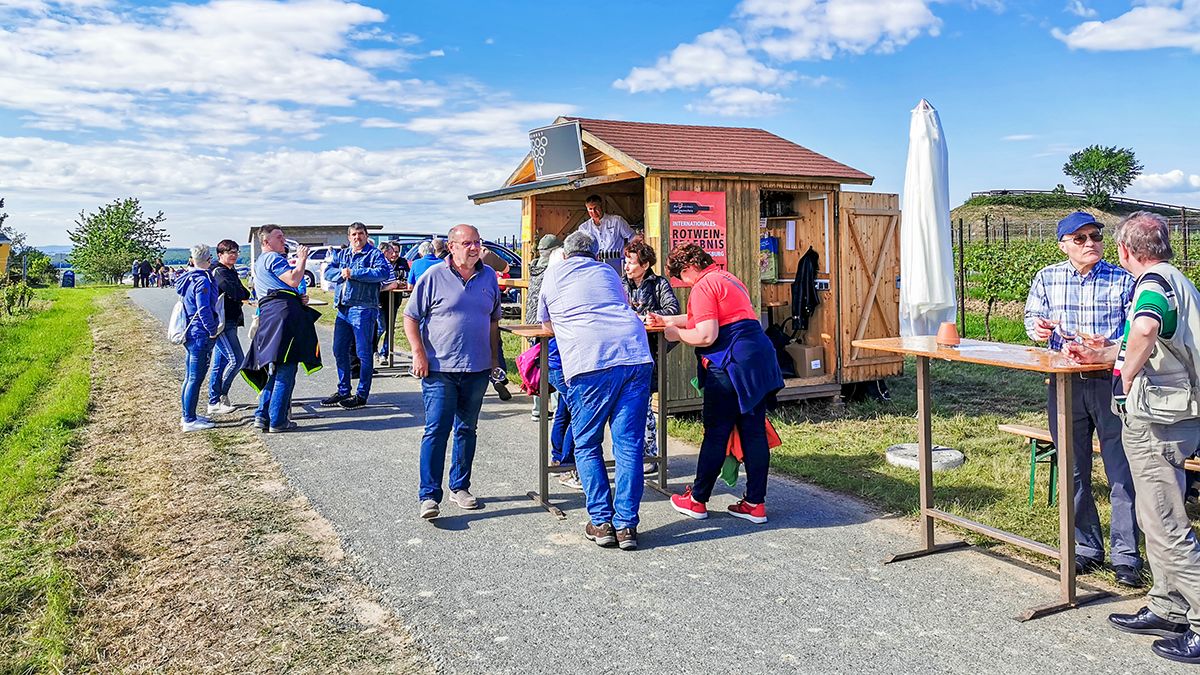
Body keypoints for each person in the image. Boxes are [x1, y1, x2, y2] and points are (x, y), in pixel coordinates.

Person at [1066, 212, 1200, 664]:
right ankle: (1169, 605)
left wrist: (1122, 375)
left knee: (1165, 525)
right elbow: (1150, 338)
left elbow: (1144, 329)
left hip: (1161, 420)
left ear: (1125, 250)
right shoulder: (1170, 279)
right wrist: (1104, 353)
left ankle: (1198, 619)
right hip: (1172, 414)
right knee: (1153, 515)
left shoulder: (1150, 285)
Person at [1023, 211, 1143, 587]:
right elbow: (1032, 320)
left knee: (1120, 470)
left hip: (1110, 383)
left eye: (1095, 236)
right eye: (1080, 238)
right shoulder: (1047, 277)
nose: (1090, 243)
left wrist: (1110, 346)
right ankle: (1086, 547)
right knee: (1073, 468)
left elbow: (1136, 333)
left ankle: (1126, 556)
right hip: (1063, 383)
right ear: (1063, 245)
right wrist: (1039, 328)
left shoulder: (1124, 279)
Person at [539, 231, 653, 550]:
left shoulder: (554, 273)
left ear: (565, 253)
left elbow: (545, 324)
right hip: (634, 353)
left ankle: (601, 522)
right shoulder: (607, 271)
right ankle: (626, 526)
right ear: (594, 254)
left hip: (590, 360)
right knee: (628, 444)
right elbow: (621, 305)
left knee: (587, 443)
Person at [654, 244, 783, 525]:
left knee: (716, 432)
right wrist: (666, 319)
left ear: (688, 269)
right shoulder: (728, 279)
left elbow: (706, 334)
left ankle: (697, 500)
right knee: (753, 432)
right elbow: (705, 317)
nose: (683, 285)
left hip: (730, 364)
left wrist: (676, 333)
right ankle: (755, 504)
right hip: (758, 360)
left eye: (681, 279)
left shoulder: (702, 286)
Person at [404, 224, 501, 520]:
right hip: (439, 369)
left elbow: (494, 322)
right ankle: (429, 496)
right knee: (436, 430)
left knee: (467, 430)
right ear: (452, 246)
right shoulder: (433, 276)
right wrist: (419, 354)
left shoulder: (489, 277)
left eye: (477, 242)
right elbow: (410, 316)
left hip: (476, 369)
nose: (474, 248)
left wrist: (496, 361)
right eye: (467, 243)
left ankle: (460, 487)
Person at [241, 224, 321, 433]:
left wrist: (295, 296)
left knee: (274, 368)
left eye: (283, 236)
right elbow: (294, 280)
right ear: (266, 242)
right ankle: (277, 420)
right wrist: (302, 258)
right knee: (286, 367)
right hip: (283, 317)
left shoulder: (260, 261)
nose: (283, 240)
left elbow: (278, 288)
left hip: (271, 314)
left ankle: (262, 415)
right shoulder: (273, 258)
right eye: (278, 237)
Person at [623, 240, 680, 474]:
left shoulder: (659, 284)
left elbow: (673, 310)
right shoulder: (619, 284)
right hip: (625, 352)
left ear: (645, 265)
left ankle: (650, 453)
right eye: (625, 260)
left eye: (631, 261)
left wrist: (649, 316)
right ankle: (633, 453)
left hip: (649, 351)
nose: (626, 266)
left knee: (645, 403)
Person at [321, 222, 390, 410]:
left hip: (363, 308)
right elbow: (328, 271)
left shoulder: (374, 254)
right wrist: (342, 274)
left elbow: (382, 273)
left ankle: (361, 394)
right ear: (348, 237)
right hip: (343, 309)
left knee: (363, 353)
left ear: (367, 236)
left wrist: (354, 273)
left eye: (360, 234)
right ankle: (343, 390)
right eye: (353, 234)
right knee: (339, 350)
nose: (357, 237)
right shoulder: (342, 254)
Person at [175, 244, 221, 432]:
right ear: (208, 259)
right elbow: (203, 308)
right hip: (200, 333)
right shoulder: (202, 280)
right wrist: (212, 329)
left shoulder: (188, 278)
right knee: (195, 377)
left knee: (189, 376)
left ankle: (188, 414)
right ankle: (189, 419)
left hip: (191, 332)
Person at [208, 239, 250, 415]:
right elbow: (236, 292)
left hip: (231, 320)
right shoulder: (219, 271)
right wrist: (241, 293)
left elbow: (244, 292)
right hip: (222, 323)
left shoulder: (230, 271)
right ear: (220, 255)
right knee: (237, 360)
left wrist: (241, 293)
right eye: (230, 252)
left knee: (220, 363)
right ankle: (220, 395)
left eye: (236, 252)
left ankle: (214, 400)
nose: (233, 255)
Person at [526, 234, 563, 422]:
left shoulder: (534, 266)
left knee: (539, 365)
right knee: (554, 363)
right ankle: (557, 409)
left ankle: (538, 408)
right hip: (547, 322)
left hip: (531, 320)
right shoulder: (553, 269)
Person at [575, 194, 633, 274]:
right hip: (595, 265)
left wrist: (627, 250)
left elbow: (632, 237)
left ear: (601, 206)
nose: (593, 212)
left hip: (617, 262)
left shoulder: (617, 221)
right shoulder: (584, 228)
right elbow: (580, 249)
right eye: (590, 209)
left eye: (595, 208)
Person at [377, 242, 406, 363]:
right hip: (381, 299)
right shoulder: (380, 262)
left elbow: (406, 276)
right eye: (392, 251)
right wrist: (393, 283)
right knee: (381, 326)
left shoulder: (402, 262)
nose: (394, 254)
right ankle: (372, 350)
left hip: (394, 299)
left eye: (397, 252)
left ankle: (385, 353)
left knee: (390, 328)